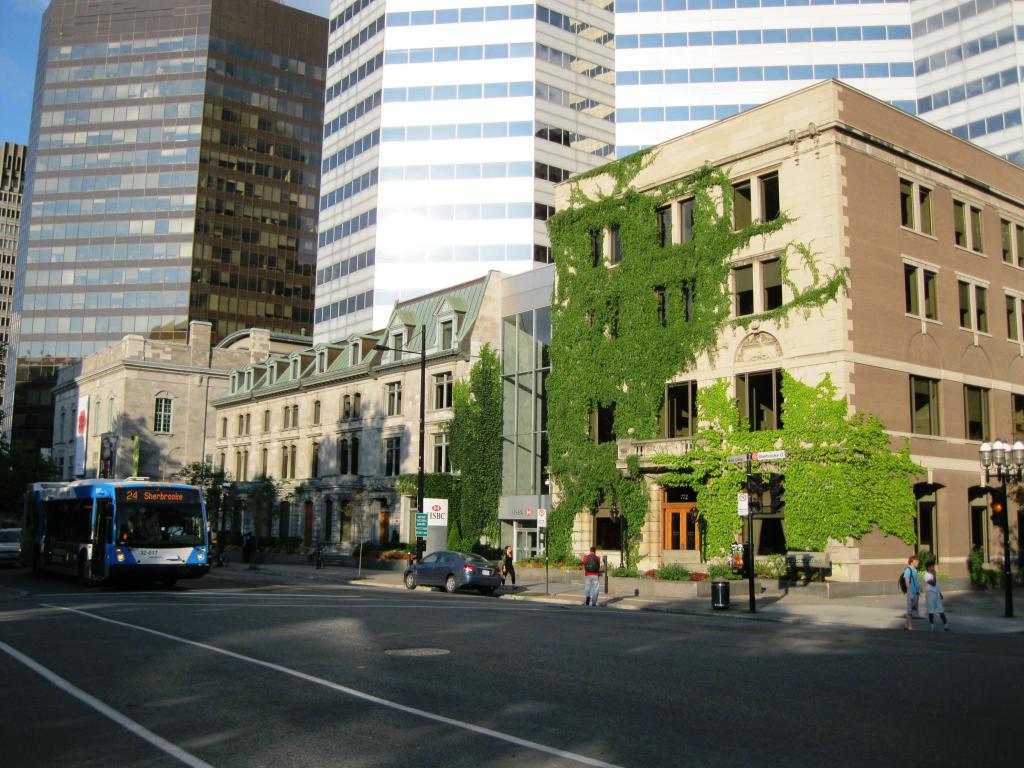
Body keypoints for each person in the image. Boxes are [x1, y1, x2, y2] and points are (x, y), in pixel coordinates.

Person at [924, 561, 950, 631]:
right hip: (930, 594)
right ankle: (932, 626)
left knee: (941, 610)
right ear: (929, 567)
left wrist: (940, 593)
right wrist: (934, 575)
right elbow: (933, 584)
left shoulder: (934, 574)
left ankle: (946, 626)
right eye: (933, 566)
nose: (934, 568)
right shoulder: (926, 575)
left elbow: (937, 585)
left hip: (936, 594)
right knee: (931, 610)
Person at [903, 555, 921, 630]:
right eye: (916, 561)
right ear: (912, 561)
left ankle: (907, 625)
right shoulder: (908, 570)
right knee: (910, 609)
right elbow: (907, 582)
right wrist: (910, 591)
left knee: (914, 610)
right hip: (911, 591)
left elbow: (917, 581)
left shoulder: (916, 570)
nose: (918, 562)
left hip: (916, 591)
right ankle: (910, 626)